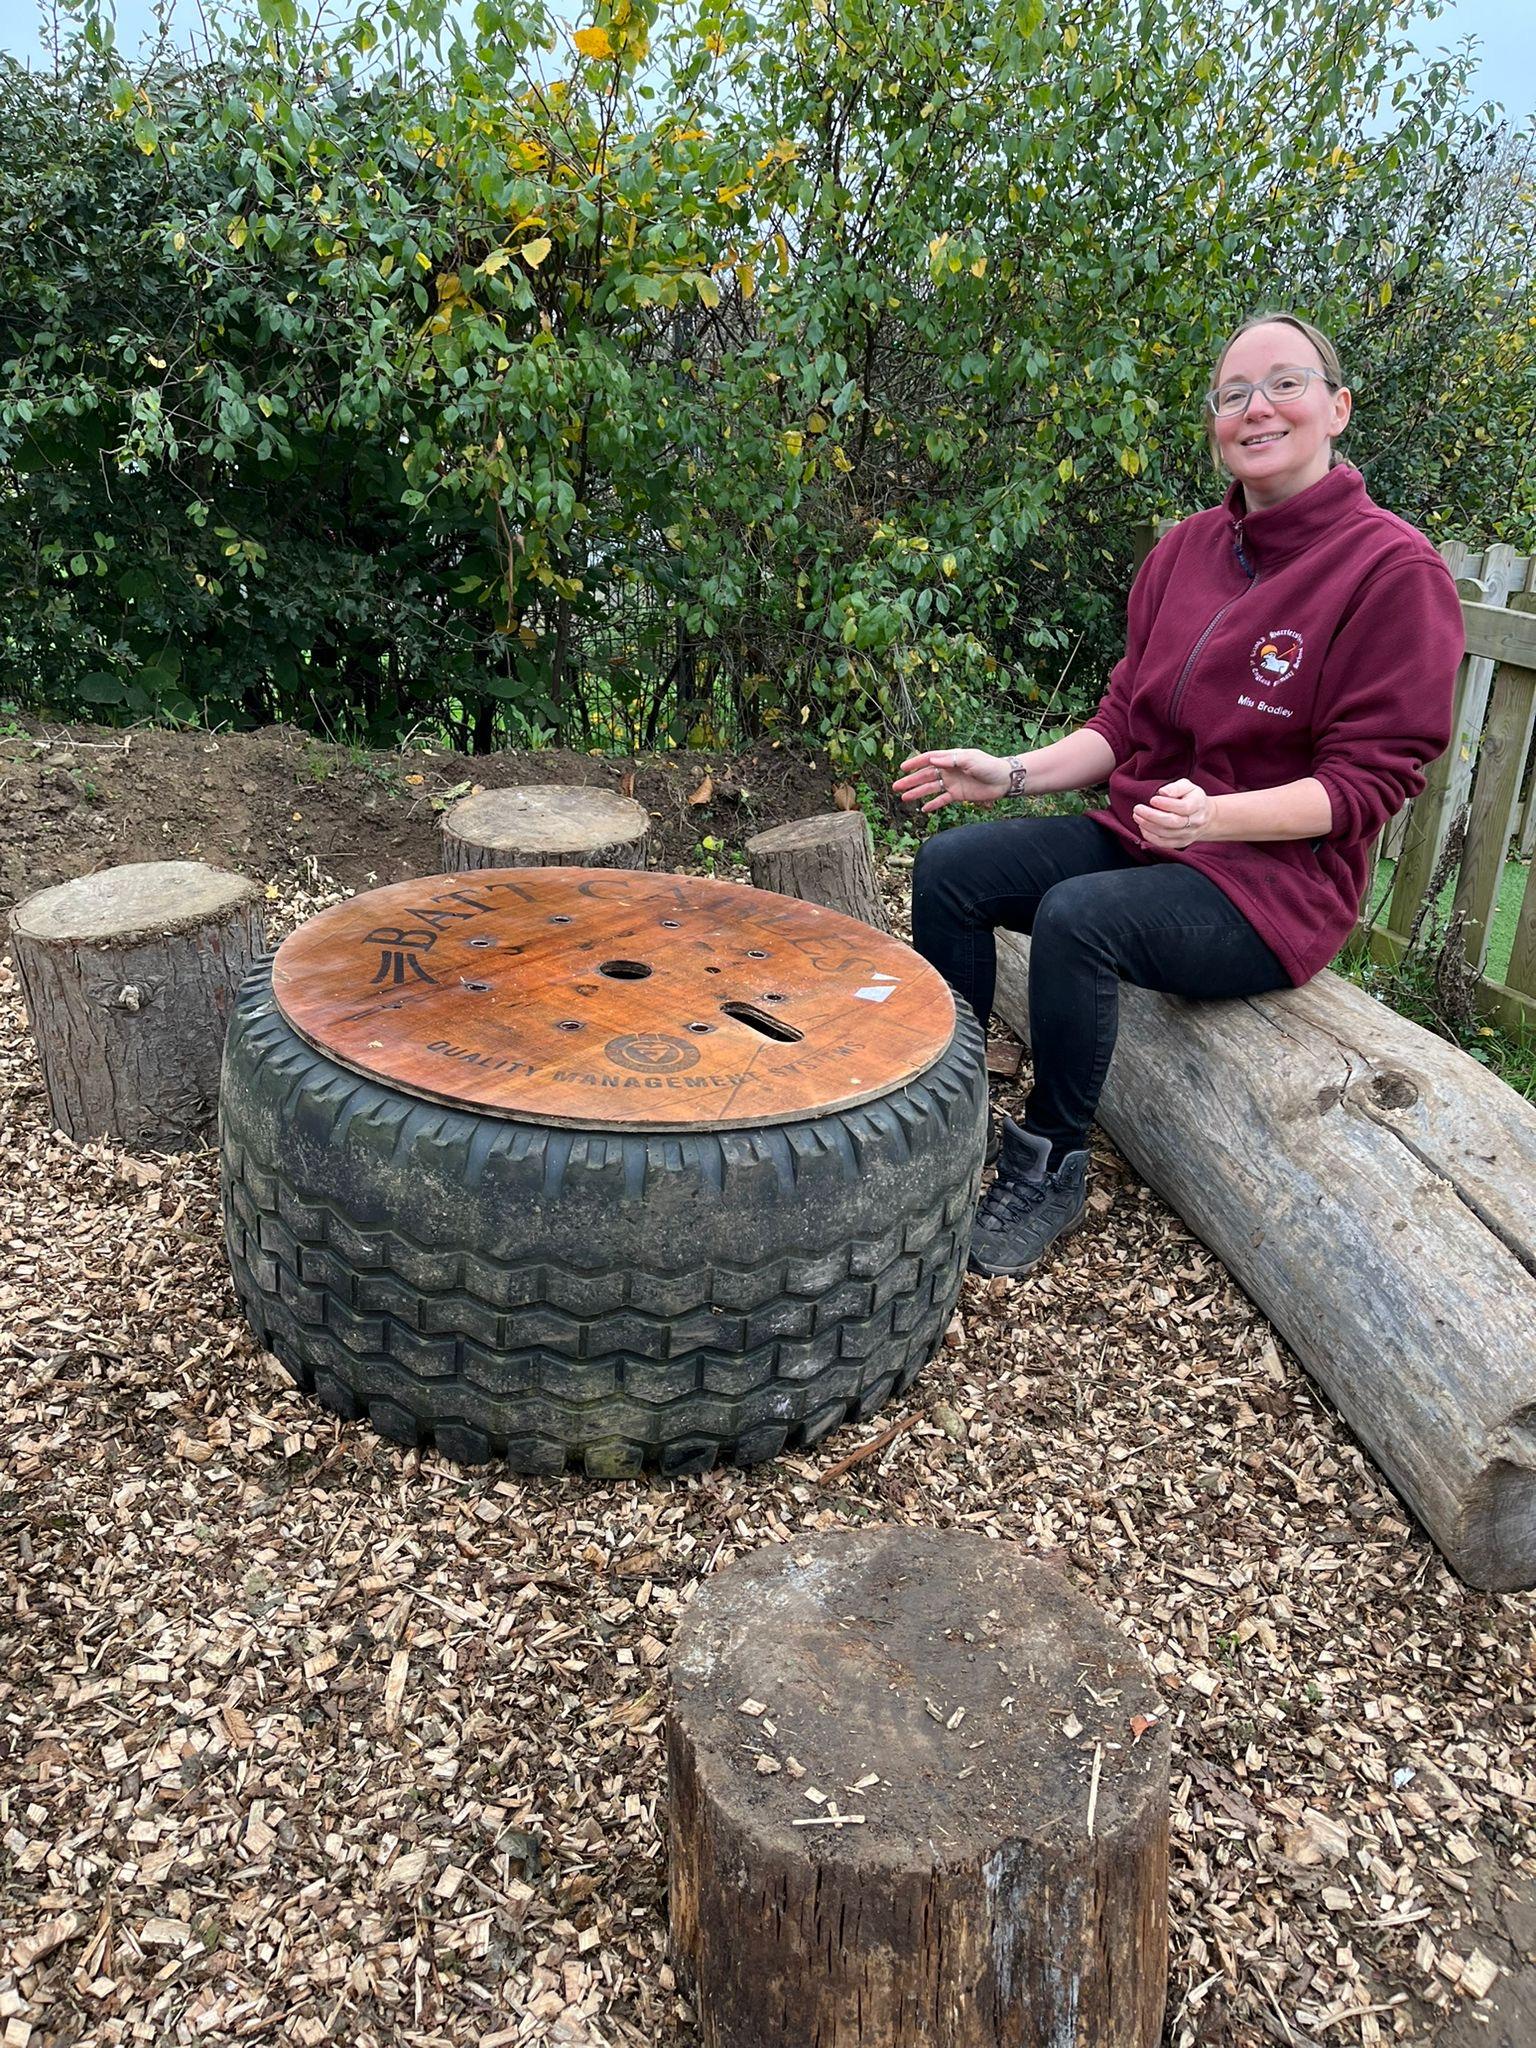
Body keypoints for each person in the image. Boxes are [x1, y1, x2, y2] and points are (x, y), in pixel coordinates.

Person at [893, 310, 1465, 1279]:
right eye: (1233, 393)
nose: (1256, 408)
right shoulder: (1186, 551)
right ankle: (946, 1122)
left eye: (1283, 384)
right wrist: (1010, 771)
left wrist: (1219, 817)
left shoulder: (1392, 570)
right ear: (1215, 424)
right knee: (951, 865)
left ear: (1338, 407)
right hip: (1151, 838)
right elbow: (1122, 722)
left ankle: (1049, 1161)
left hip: (1273, 886)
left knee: (1079, 918)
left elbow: (1372, 784)